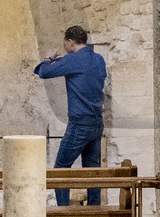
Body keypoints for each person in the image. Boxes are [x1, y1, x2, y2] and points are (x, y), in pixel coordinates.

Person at [35, 26, 108, 206]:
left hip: (80, 123)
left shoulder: (73, 59)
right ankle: (94, 209)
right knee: (92, 169)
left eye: (65, 43)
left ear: (70, 42)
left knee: (61, 168)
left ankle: (63, 212)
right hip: (97, 122)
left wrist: (49, 59)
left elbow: (44, 72)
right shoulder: (98, 59)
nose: (64, 46)